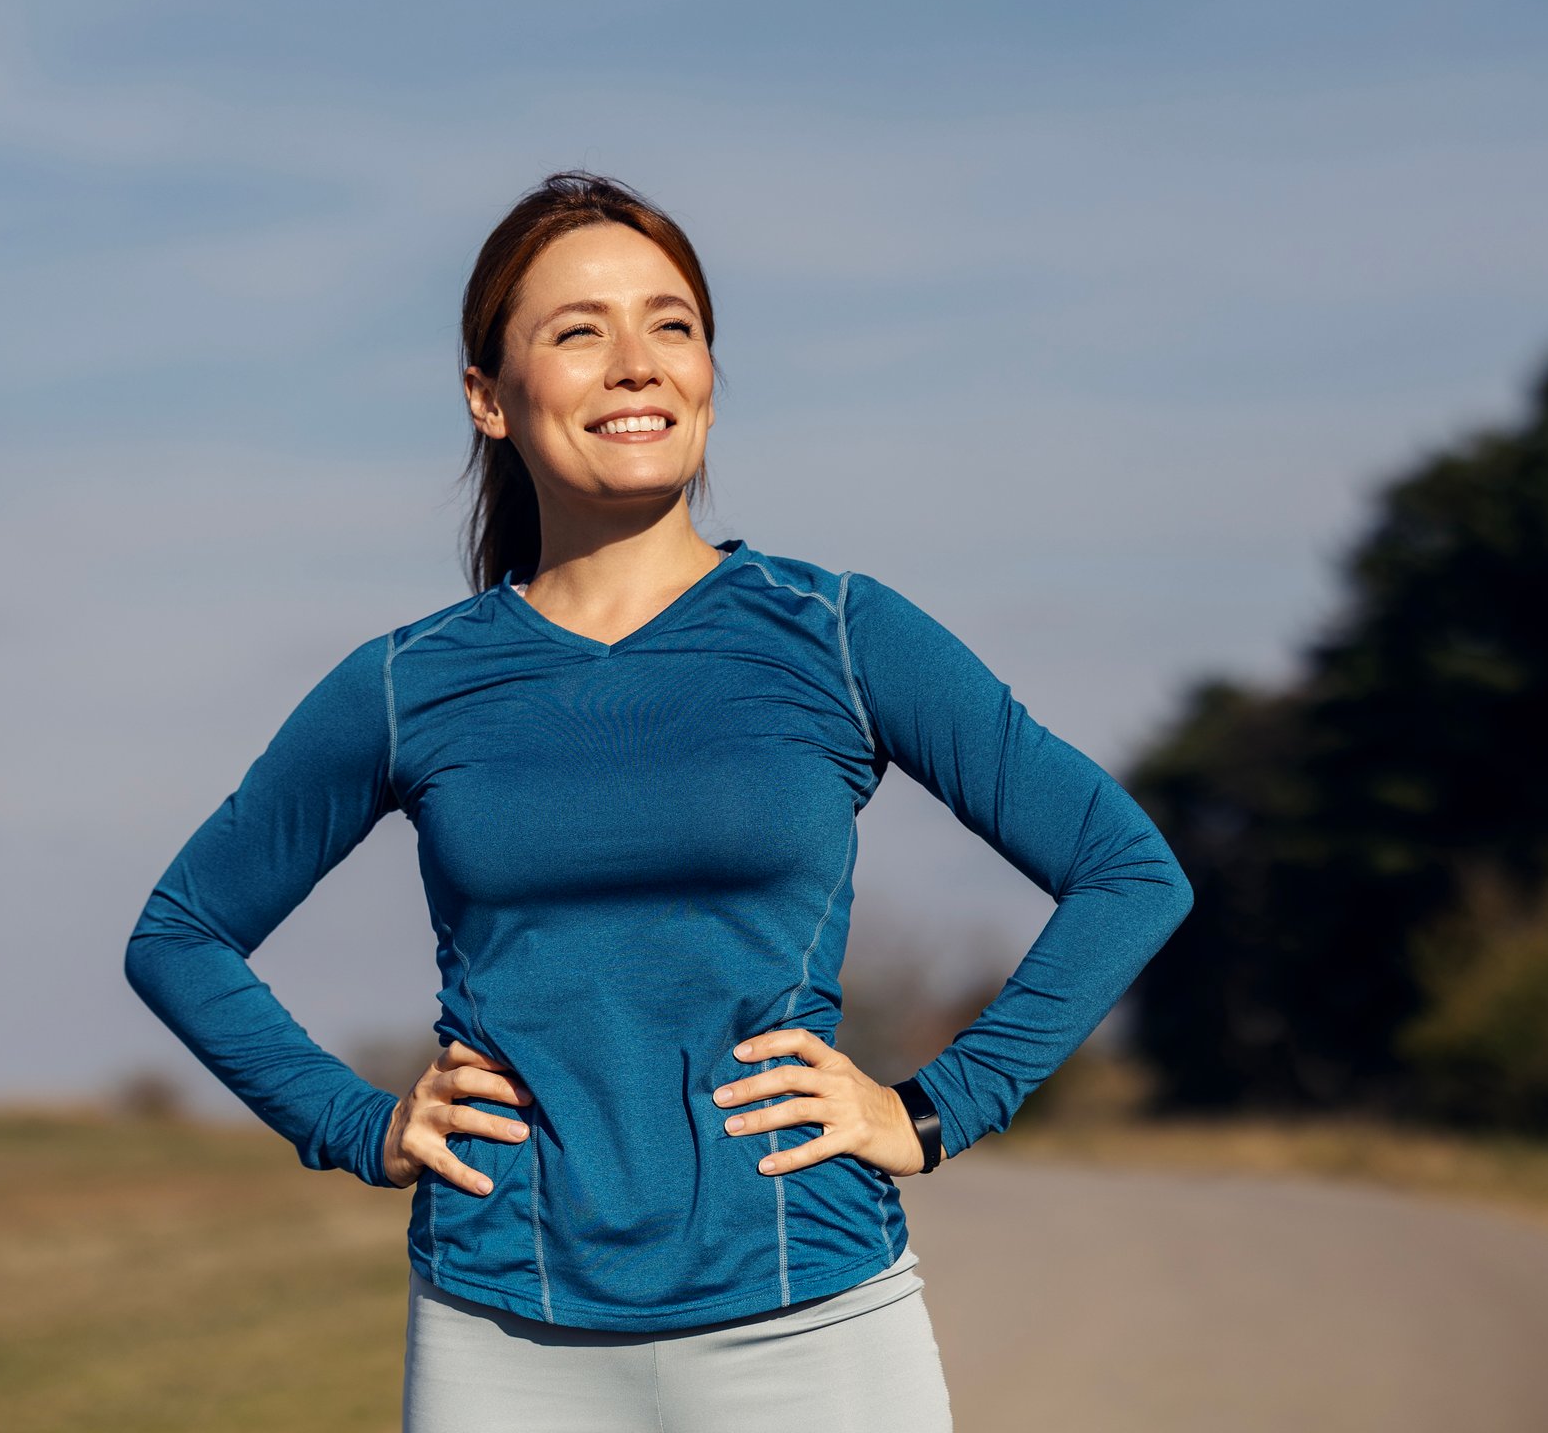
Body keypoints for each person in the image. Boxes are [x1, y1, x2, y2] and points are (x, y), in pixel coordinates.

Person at [124, 170, 1196, 1431]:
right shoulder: (412, 683)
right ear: (489, 398)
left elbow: (1129, 871)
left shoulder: (841, 633)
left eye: (671, 324)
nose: (637, 362)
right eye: (579, 331)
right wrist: (359, 1124)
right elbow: (181, 935)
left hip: (816, 1327)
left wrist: (932, 1107)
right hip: (500, 1339)